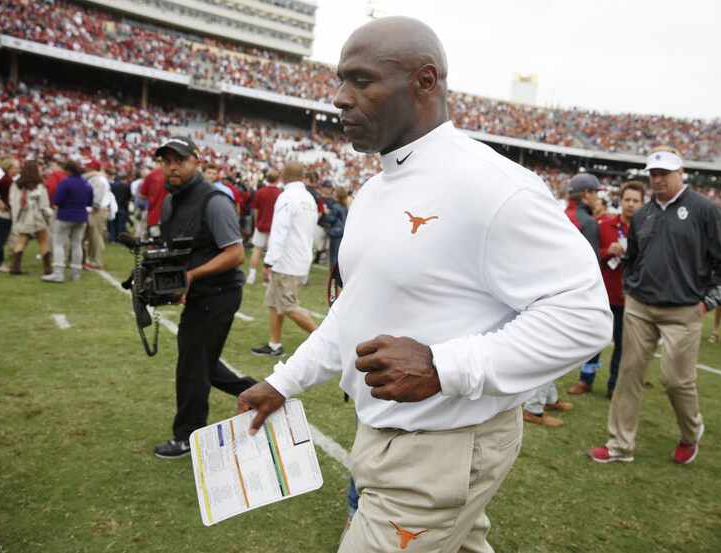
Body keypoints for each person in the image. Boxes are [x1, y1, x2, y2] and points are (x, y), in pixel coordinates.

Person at [237, 17, 611, 552]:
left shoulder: (494, 187)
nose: (340, 98)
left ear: (425, 82)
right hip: (389, 436)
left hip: (442, 446)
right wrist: (284, 382)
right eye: (340, 80)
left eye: (361, 80)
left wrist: (444, 366)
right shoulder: (373, 191)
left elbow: (585, 317)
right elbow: (355, 311)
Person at [589, 147, 721, 465]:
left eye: (664, 174)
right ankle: (619, 445)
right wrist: (631, 289)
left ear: (680, 172)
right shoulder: (644, 214)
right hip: (640, 306)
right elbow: (633, 258)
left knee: (676, 380)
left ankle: (690, 432)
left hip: (683, 309)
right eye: (653, 174)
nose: (657, 180)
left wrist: (708, 302)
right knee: (628, 374)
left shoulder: (704, 211)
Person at [152, 136, 257, 459]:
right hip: (200, 294)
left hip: (221, 294)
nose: (172, 166)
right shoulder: (171, 201)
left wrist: (191, 276)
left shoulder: (215, 200)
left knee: (192, 365)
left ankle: (187, 436)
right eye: (166, 160)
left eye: (179, 160)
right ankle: (257, 392)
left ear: (195, 161)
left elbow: (236, 253)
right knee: (203, 365)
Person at [568, 181, 644, 398]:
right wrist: (608, 252)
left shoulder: (645, 230)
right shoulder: (603, 225)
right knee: (593, 340)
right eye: (627, 200)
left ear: (642, 203)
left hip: (629, 298)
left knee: (622, 345)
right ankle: (586, 380)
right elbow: (591, 256)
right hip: (602, 295)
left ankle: (614, 386)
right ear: (621, 201)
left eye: (635, 201)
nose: (630, 204)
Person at [250, 161, 319, 358]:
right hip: (299, 256)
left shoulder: (287, 197)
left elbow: (280, 231)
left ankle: (324, 340)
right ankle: (274, 344)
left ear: (283, 175)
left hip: (286, 260)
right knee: (274, 302)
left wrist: (269, 261)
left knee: (288, 306)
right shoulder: (308, 198)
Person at [564, 173, 604, 391]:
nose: (597, 198)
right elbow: (592, 265)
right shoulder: (587, 222)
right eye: (596, 193)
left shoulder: (561, 214)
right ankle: (536, 406)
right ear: (586, 194)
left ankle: (547, 399)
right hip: (575, 292)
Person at [42, 160, 93, 283]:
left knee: (58, 243)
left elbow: (57, 200)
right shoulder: (86, 184)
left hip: (65, 215)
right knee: (77, 244)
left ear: (69, 170)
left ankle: (58, 273)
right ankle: (76, 273)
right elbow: (90, 201)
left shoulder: (66, 183)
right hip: (81, 216)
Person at [8, 160, 53, 276]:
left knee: (21, 241)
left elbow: (13, 202)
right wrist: (48, 217)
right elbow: (44, 205)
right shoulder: (39, 186)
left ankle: (15, 267)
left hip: (22, 217)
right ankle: (48, 269)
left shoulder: (16, 184)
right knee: (43, 241)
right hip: (37, 217)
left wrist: (16, 218)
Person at [247, 170, 281, 285]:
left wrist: (257, 222)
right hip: (274, 227)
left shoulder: (260, 192)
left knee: (257, 250)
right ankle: (266, 279)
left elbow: (255, 210)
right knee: (271, 253)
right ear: (277, 180)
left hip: (261, 224)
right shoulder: (280, 193)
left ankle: (252, 275)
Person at [83, 160, 110, 270]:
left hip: (97, 210)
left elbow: (97, 196)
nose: (85, 168)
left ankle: (97, 261)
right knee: (91, 236)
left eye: (87, 167)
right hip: (96, 209)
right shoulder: (95, 178)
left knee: (95, 237)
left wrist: (94, 207)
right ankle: (90, 259)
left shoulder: (98, 179)